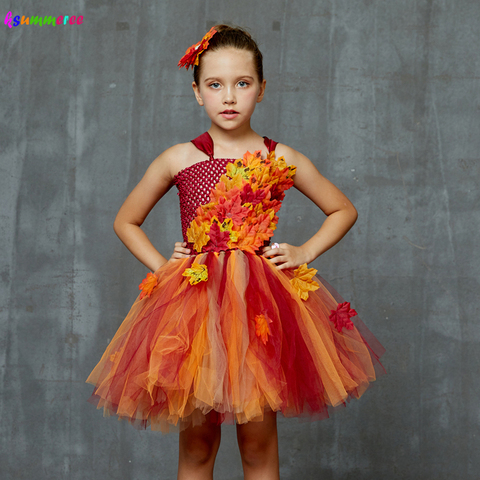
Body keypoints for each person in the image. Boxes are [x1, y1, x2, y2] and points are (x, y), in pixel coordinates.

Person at [85, 24, 386, 480]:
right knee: (198, 445)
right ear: (196, 92)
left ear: (261, 90)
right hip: (195, 310)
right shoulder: (179, 159)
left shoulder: (279, 157)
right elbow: (125, 220)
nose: (229, 97)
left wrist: (304, 250)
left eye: (242, 84)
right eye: (215, 85)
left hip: (259, 309)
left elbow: (342, 209)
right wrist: (164, 266)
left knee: (258, 443)